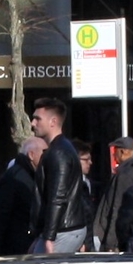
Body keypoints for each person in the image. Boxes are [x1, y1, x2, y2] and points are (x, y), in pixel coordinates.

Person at [28, 98, 92, 254]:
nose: (32, 123)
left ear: (53, 121)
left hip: (62, 230)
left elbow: (57, 197)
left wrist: (49, 237)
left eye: (38, 119)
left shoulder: (59, 152)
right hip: (64, 228)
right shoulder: (60, 149)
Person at [0, 135, 44, 257]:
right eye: (44, 152)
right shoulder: (14, 178)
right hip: (14, 250)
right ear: (31, 155)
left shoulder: (34, 176)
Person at [87, 135, 133, 253]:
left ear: (122, 152)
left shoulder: (124, 176)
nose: (113, 154)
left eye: (115, 151)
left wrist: (110, 242)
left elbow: (116, 208)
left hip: (113, 237)